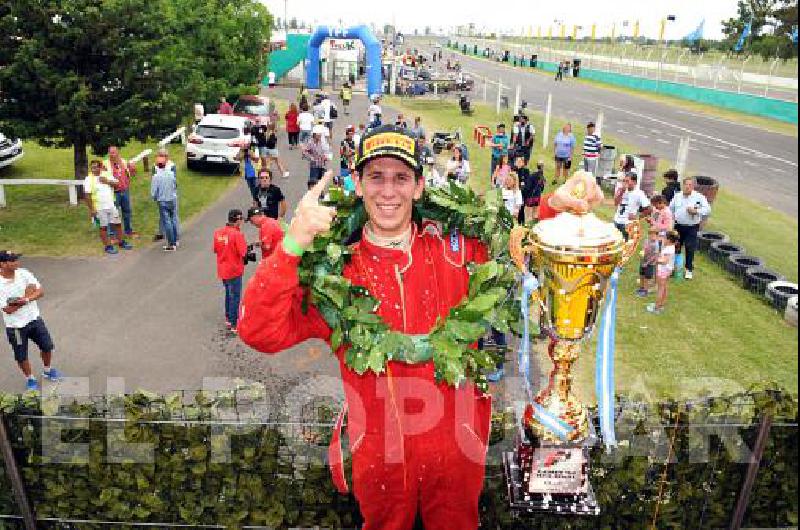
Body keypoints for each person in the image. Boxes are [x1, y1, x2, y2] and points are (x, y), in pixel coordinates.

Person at [238, 125, 493, 529]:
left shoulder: (456, 252)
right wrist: (294, 243)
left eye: (400, 177)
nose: (387, 191)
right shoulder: (334, 275)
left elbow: (530, 251)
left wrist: (563, 207)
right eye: (376, 176)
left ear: (420, 186)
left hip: (458, 458)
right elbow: (257, 331)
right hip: (381, 465)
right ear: (357, 183)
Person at [0, 251, 61, 392]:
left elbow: (40, 292)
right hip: (16, 327)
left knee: (47, 346)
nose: (16, 262)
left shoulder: (23, 273)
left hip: (34, 319)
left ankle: (47, 370)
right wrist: (27, 294)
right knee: (21, 356)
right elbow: (8, 310)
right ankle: (30, 379)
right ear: (2, 264)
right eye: (12, 260)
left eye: (16, 259)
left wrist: (24, 299)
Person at [84, 160, 132, 255]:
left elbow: (117, 184)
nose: (94, 169)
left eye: (96, 167)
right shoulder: (89, 179)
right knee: (103, 227)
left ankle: (121, 242)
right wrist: (92, 209)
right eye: (92, 167)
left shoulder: (106, 174)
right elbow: (87, 196)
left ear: (100, 167)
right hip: (99, 208)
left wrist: (107, 181)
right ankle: (108, 246)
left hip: (111, 205)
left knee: (117, 224)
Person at [670, 177, 711, 280]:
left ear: (693, 187)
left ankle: (688, 270)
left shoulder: (699, 197)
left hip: (692, 227)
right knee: (676, 247)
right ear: (682, 185)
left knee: (689, 247)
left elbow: (707, 210)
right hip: (678, 225)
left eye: (690, 185)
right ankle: (675, 268)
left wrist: (696, 211)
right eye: (686, 185)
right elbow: (671, 208)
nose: (687, 187)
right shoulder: (677, 196)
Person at [213, 209, 247, 333]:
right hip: (234, 270)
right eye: (241, 220)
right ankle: (234, 323)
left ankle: (228, 317)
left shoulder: (218, 233)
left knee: (228, 293)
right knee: (235, 296)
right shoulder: (237, 234)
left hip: (223, 270)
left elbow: (216, 249)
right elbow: (243, 253)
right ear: (237, 220)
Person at [106, 146, 138, 238]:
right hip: (113, 192)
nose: (112, 154)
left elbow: (132, 174)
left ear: (118, 152)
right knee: (113, 213)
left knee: (127, 211)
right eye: (110, 153)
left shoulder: (124, 162)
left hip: (125, 190)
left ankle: (128, 231)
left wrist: (133, 169)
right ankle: (112, 234)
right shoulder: (106, 164)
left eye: (114, 152)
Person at [151, 151, 179, 252]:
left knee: (167, 222)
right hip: (172, 199)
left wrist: (154, 198)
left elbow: (153, 192)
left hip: (162, 201)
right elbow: (175, 185)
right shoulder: (171, 174)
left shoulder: (156, 177)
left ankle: (171, 244)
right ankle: (175, 240)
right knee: (173, 219)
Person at [647, 230, 679, 314]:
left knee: (660, 289)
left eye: (664, 238)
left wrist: (656, 261)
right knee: (664, 287)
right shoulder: (671, 247)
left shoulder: (668, 249)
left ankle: (656, 307)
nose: (663, 239)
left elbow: (665, 261)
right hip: (668, 270)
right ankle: (661, 304)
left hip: (663, 271)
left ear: (668, 240)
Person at [613, 173, 651, 240]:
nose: (625, 183)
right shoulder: (621, 190)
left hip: (628, 223)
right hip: (617, 220)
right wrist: (621, 191)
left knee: (626, 244)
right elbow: (616, 203)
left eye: (627, 181)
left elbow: (648, 208)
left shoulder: (639, 193)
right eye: (624, 181)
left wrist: (638, 217)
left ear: (634, 182)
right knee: (615, 242)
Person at [520, 158, 545, 224]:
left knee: (528, 215)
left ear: (537, 165)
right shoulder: (542, 176)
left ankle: (528, 227)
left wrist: (522, 189)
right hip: (537, 196)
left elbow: (528, 187)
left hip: (530, 197)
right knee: (535, 213)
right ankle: (535, 225)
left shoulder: (532, 176)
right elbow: (542, 187)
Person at [637, 228, 659, 298]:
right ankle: (641, 288)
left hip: (650, 263)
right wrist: (642, 251)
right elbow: (644, 248)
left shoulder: (656, 244)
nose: (652, 236)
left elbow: (655, 256)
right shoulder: (646, 240)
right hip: (643, 261)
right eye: (650, 234)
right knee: (641, 275)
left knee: (647, 278)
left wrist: (647, 263)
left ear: (656, 236)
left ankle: (645, 291)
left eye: (654, 235)